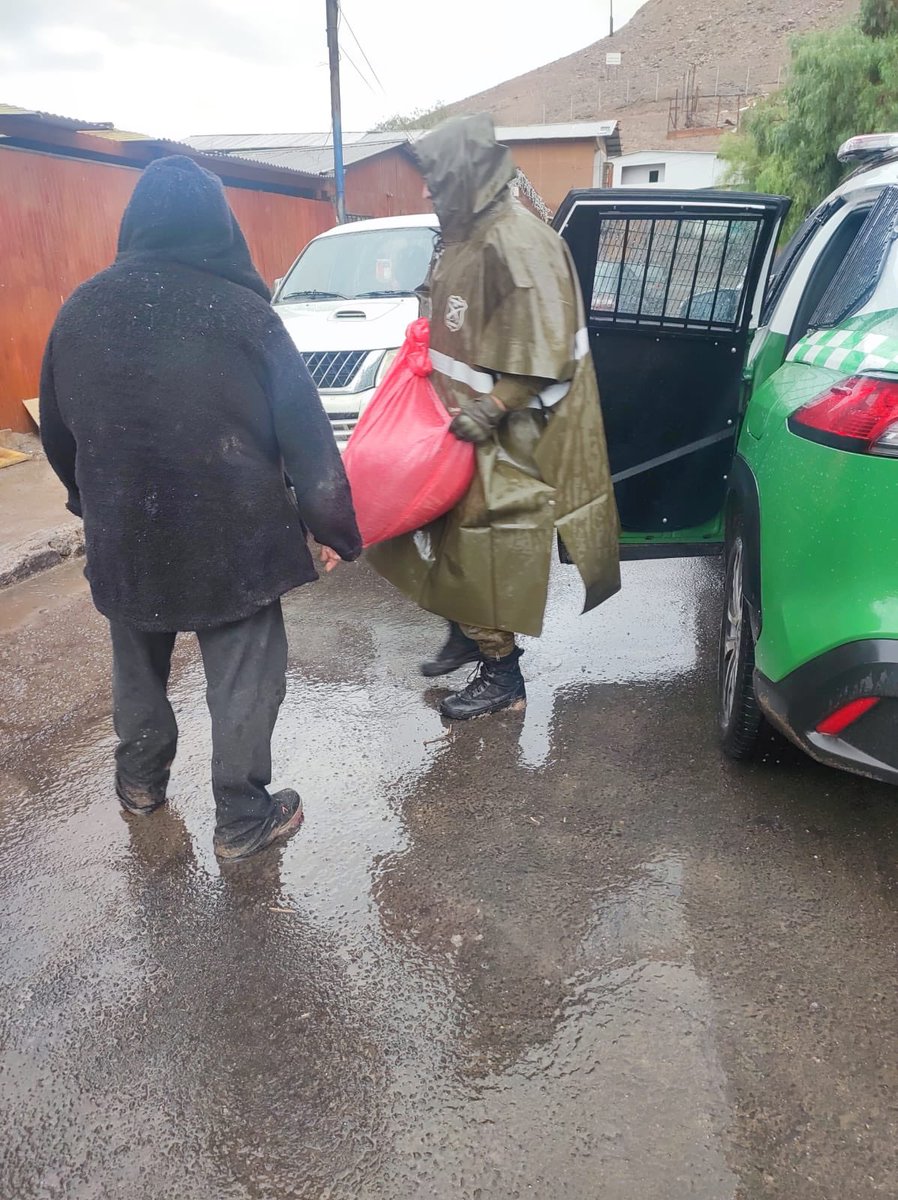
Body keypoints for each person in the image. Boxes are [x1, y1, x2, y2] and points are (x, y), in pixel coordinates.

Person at [40, 155, 361, 861]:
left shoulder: (80, 310)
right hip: (234, 535)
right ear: (220, 227)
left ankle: (139, 785)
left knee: (137, 667)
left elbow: (59, 434)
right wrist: (332, 525)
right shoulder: (245, 314)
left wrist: (89, 504)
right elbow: (307, 439)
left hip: (125, 529)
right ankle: (244, 820)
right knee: (244, 677)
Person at [366, 114, 621, 720]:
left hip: (512, 432)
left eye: (434, 179)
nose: (425, 192)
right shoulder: (468, 236)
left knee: (482, 549)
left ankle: (503, 676)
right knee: (440, 536)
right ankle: (465, 631)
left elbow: (546, 348)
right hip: (455, 425)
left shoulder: (519, 242)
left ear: (463, 177)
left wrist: (493, 406)